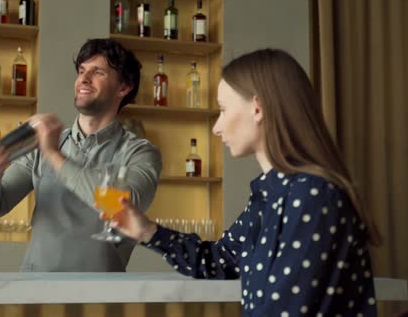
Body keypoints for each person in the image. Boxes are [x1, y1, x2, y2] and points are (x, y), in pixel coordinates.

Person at [105, 49, 382, 316]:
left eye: (223, 110)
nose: (216, 127)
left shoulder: (313, 195)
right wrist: (146, 230)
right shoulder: (269, 196)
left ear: (258, 108)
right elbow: (217, 261)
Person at [0, 38, 162, 272]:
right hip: (36, 291)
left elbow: (122, 207)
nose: (83, 79)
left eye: (97, 72)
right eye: (81, 71)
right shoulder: (42, 144)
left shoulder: (140, 152)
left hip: (102, 295)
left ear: (123, 87)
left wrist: (53, 154)